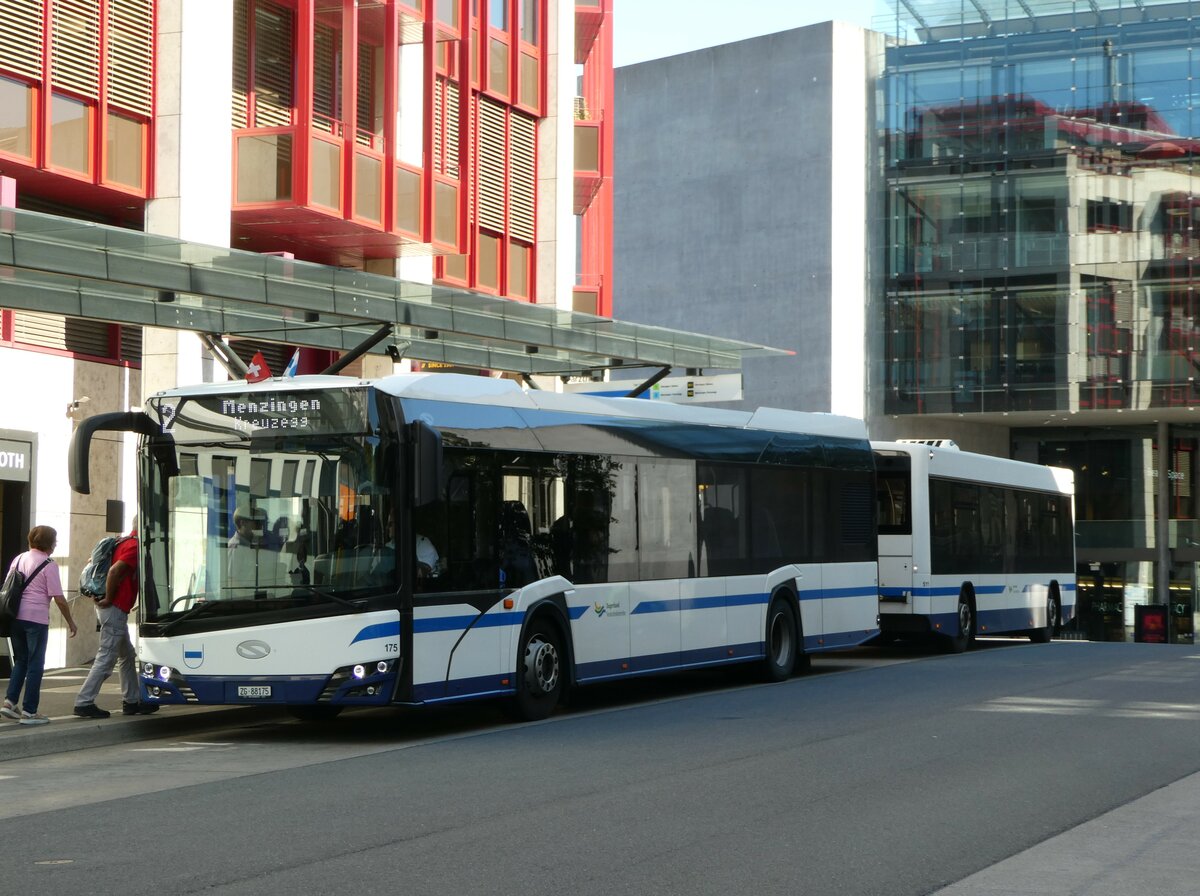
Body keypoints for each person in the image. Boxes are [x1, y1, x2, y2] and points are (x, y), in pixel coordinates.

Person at [74, 521, 158, 718]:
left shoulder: (120, 542)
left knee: (127, 654)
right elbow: (114, 571)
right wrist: (110, 597)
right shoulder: (135, 545)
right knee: (106, 656)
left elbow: (92, 563)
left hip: (111, 608)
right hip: (114, 607)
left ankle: (132, 701)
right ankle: (84, 702)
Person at [1, 526, 78, 726]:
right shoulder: (49, 565)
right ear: (49, 543)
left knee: (21, 661)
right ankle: (29, 711)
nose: (56, 544)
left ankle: (9, 703)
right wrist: (70, 622)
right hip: (36, 620)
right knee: (36, 665)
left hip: (16, 617)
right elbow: (59, 598)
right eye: (55, 540)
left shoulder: (18, 559)